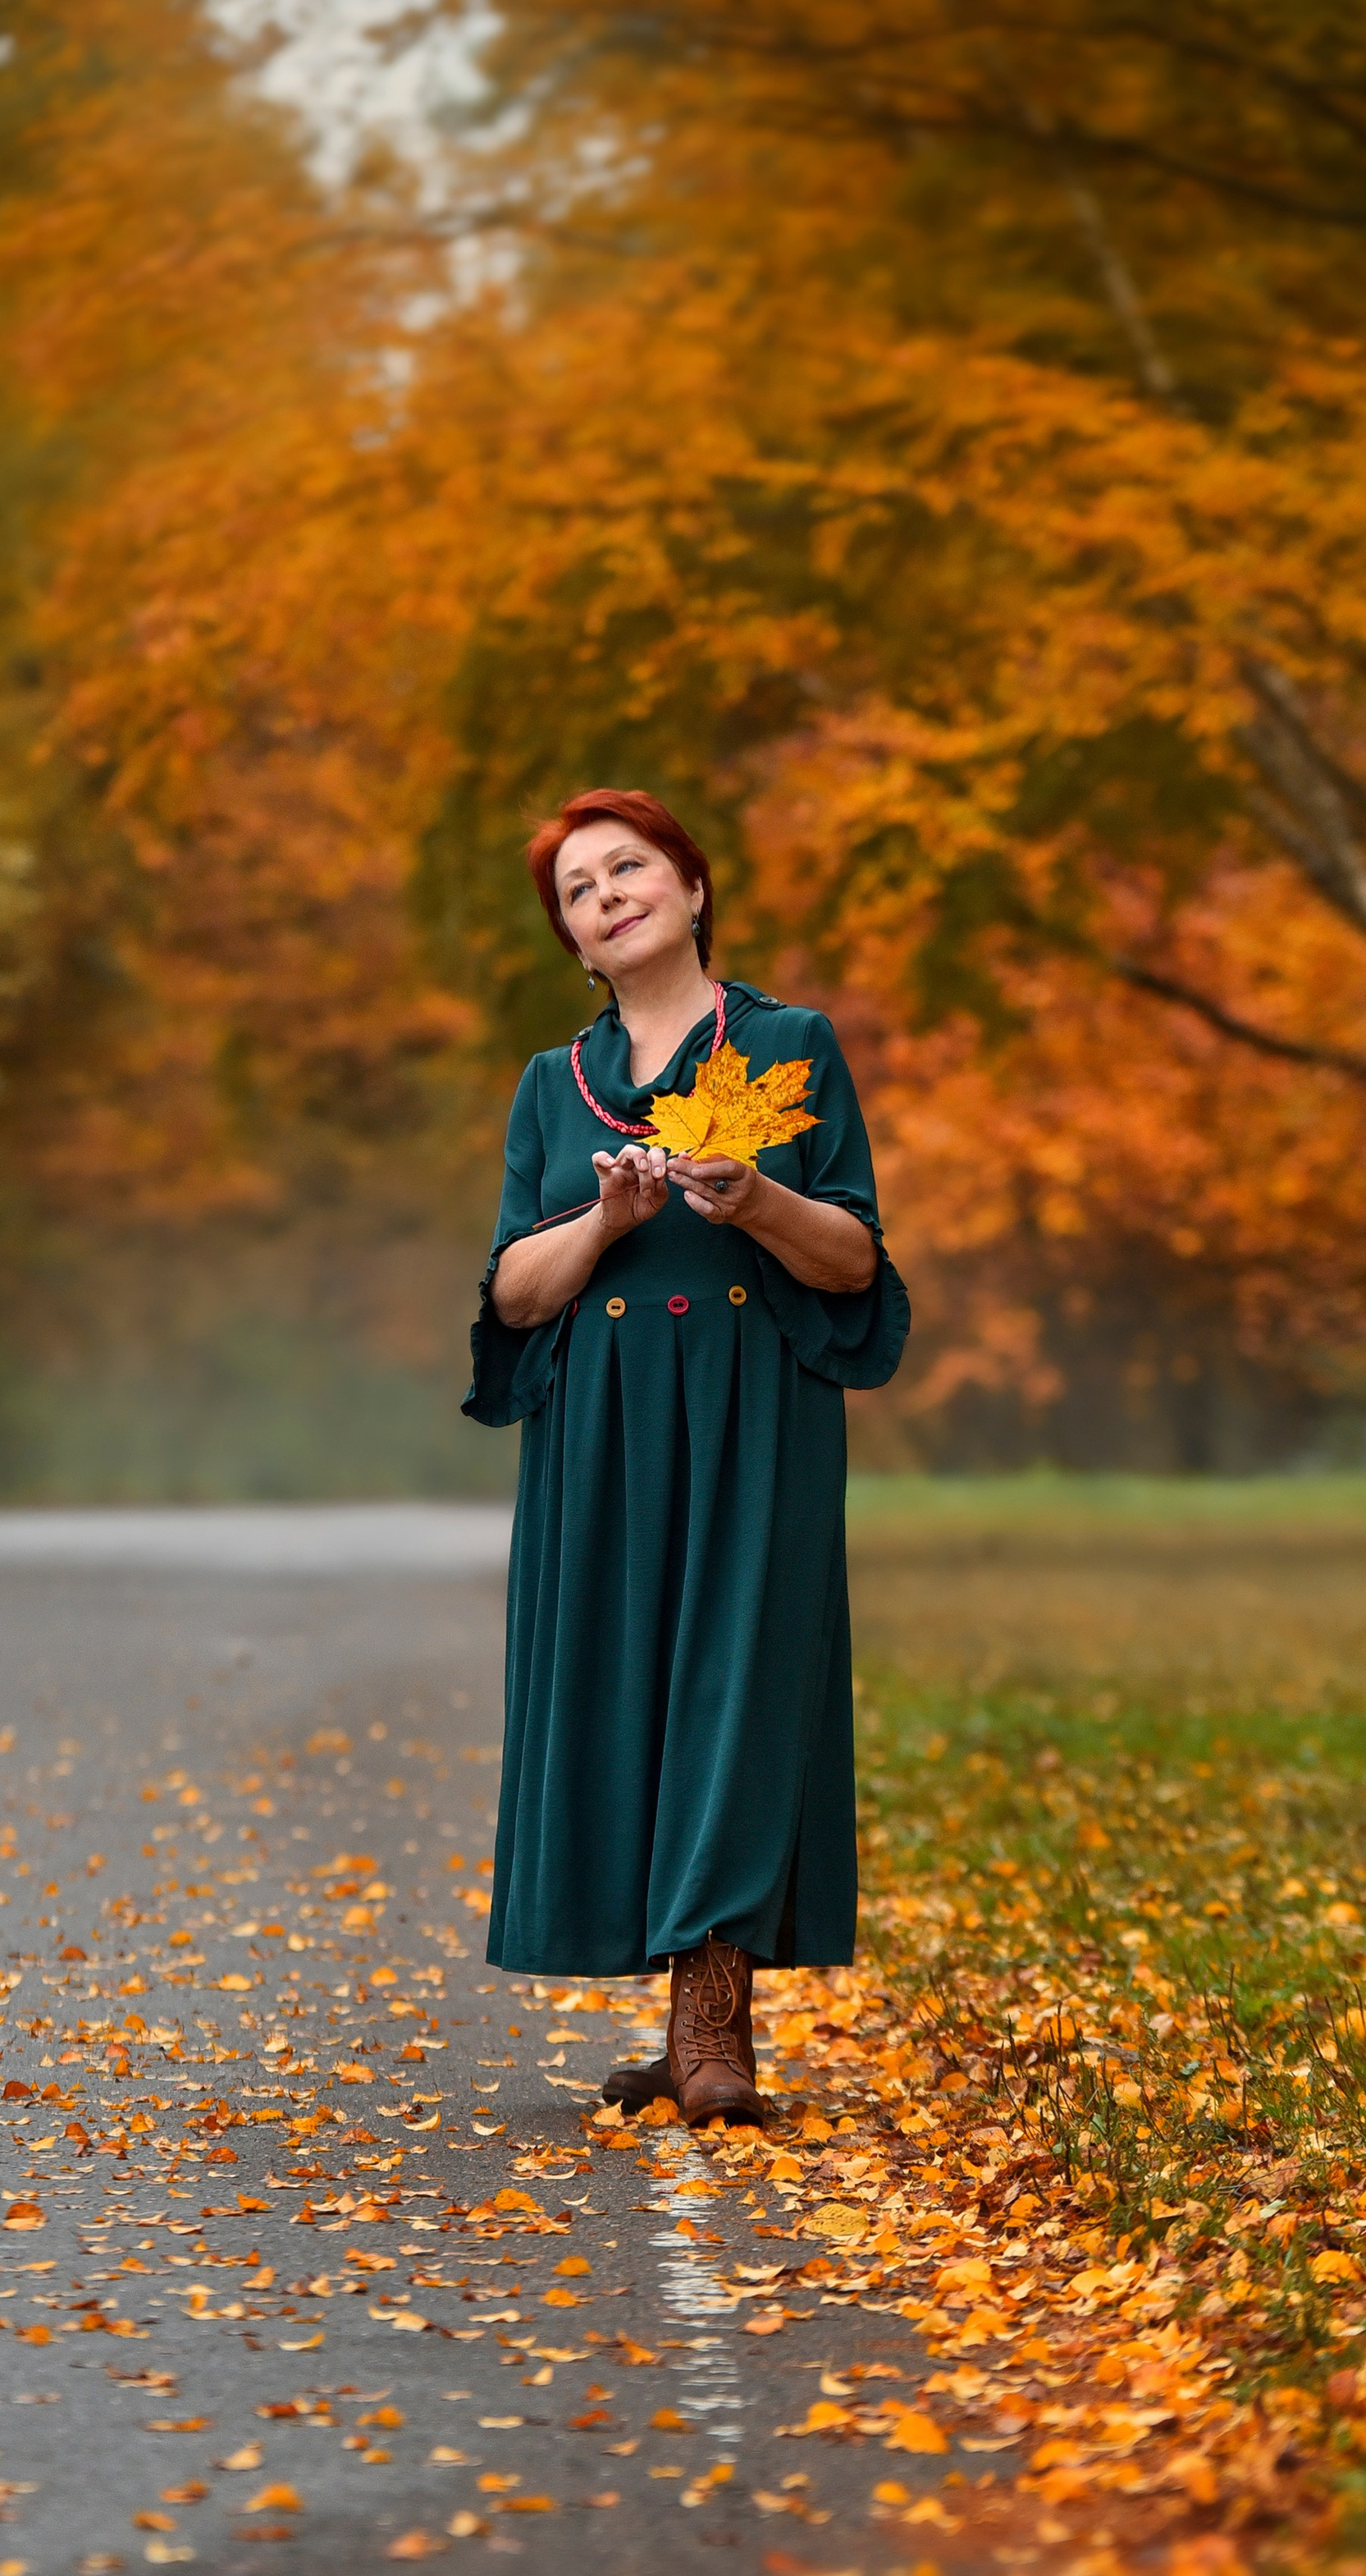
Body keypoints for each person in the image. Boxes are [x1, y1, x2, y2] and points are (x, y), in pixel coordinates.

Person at [465, 789, 908, 2125]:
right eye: (579, 891)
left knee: (737, 1679)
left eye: (629, 867)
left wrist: (757, 1198)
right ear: (574, 943)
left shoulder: (787, 1046)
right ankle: (681, 2023)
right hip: (599, 1420)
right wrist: (604, 1222)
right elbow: (513, 1293)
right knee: (623, 1691)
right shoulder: (552, 1085)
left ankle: (712, 2031)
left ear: (693, 887)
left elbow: (855, 1261)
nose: (608, 895)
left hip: (750, 1403)